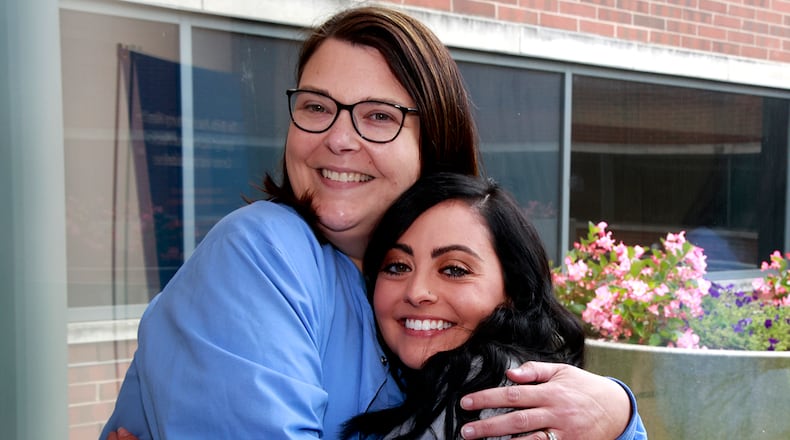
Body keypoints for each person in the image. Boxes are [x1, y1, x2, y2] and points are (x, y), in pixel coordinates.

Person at [101, 5, 644, 440]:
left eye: (378, 116)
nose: (338, 138)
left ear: (433, 143)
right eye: (316, 107)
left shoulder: (421, 315)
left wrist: (615, 415)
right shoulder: (264, 248)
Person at [342, 172, 589, 439]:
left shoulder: (485, 402)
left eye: (454, 270)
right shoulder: (442, 386)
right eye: (398, 266)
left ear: (514, 290)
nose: (416, 292)